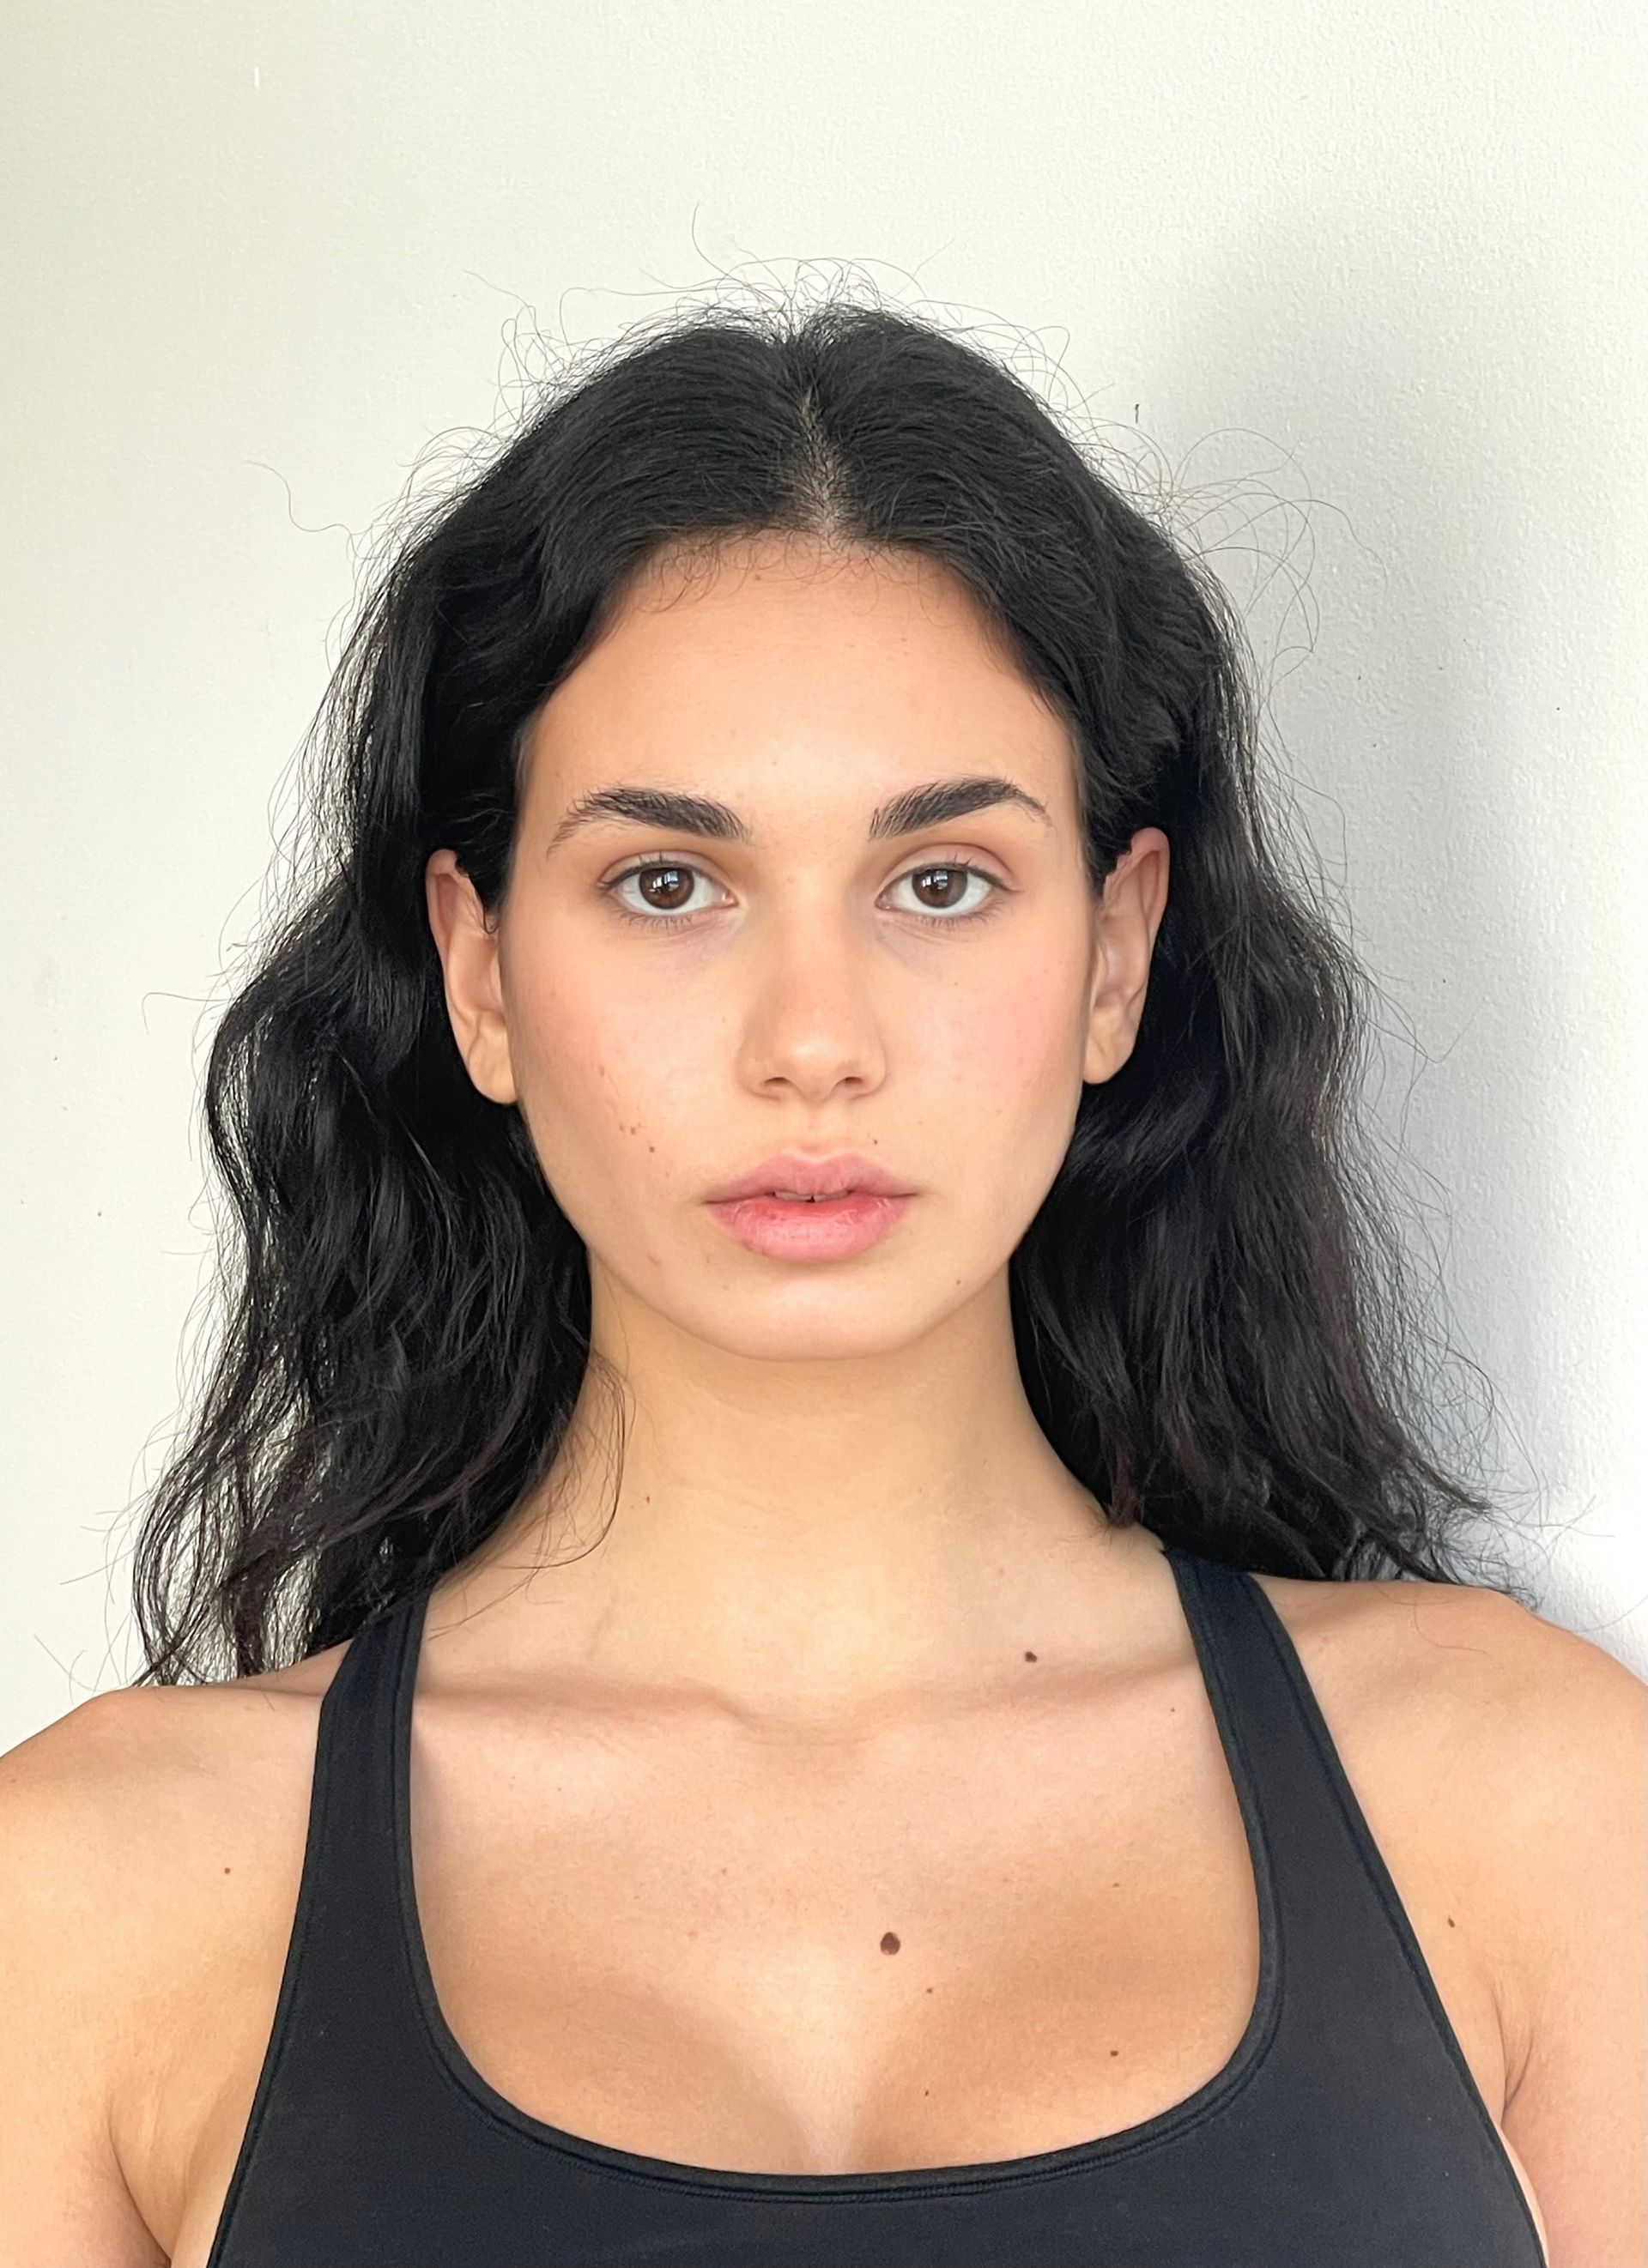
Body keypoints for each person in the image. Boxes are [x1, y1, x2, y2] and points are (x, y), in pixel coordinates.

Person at [3, 295, 1641, 2268]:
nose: (813, 1040)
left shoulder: (1539, 1808)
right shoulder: (89, 1903)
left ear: (1118, 953)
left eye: (940, 880)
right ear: (480, 968)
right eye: (667, 883)